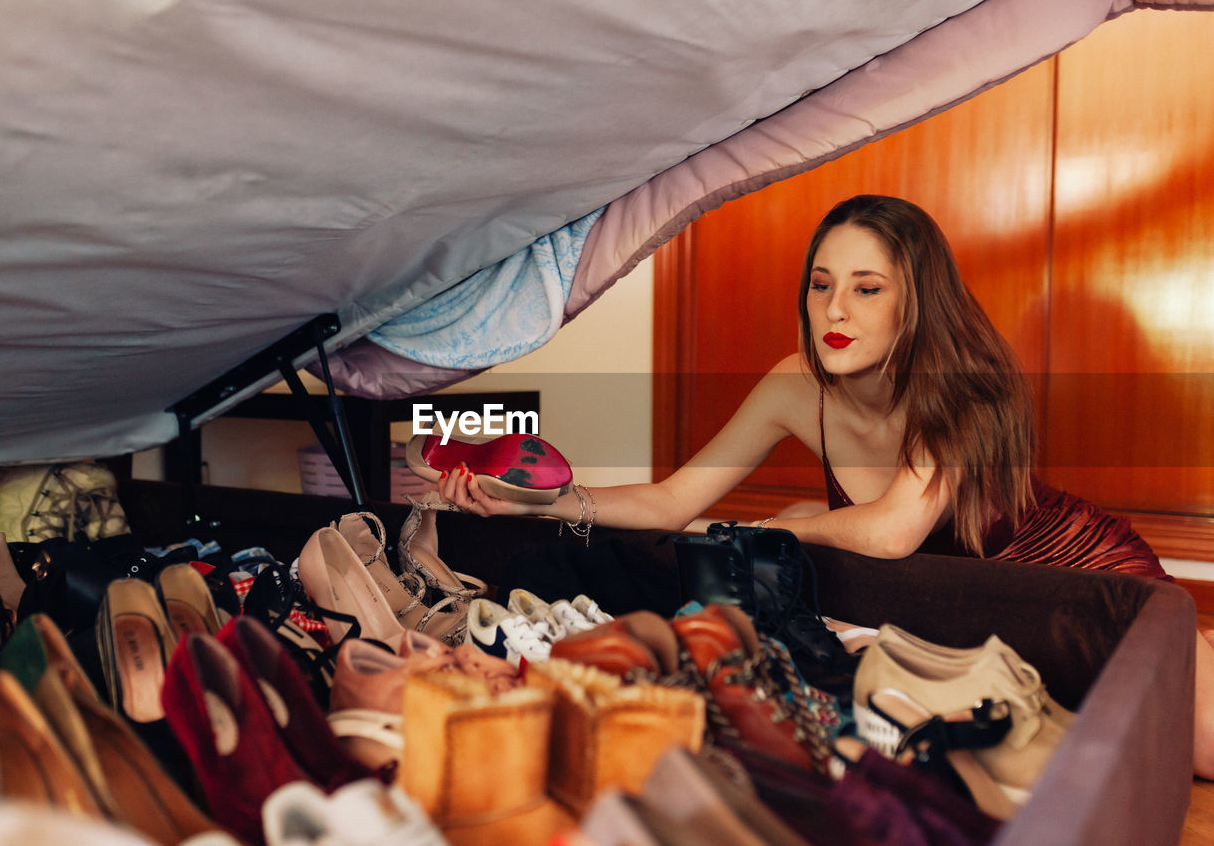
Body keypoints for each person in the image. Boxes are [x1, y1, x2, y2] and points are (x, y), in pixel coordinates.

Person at [436, 194, 1213, 777]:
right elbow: (674, 502)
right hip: (968, 618)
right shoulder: (792, 385)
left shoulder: (966, 384)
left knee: (1203, 747)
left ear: (916, 300)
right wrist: (544, 501)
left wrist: (787, 524)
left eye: (867, 288)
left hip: (1078, 572)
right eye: (821, 284)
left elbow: (890, 533)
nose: (834, 310)